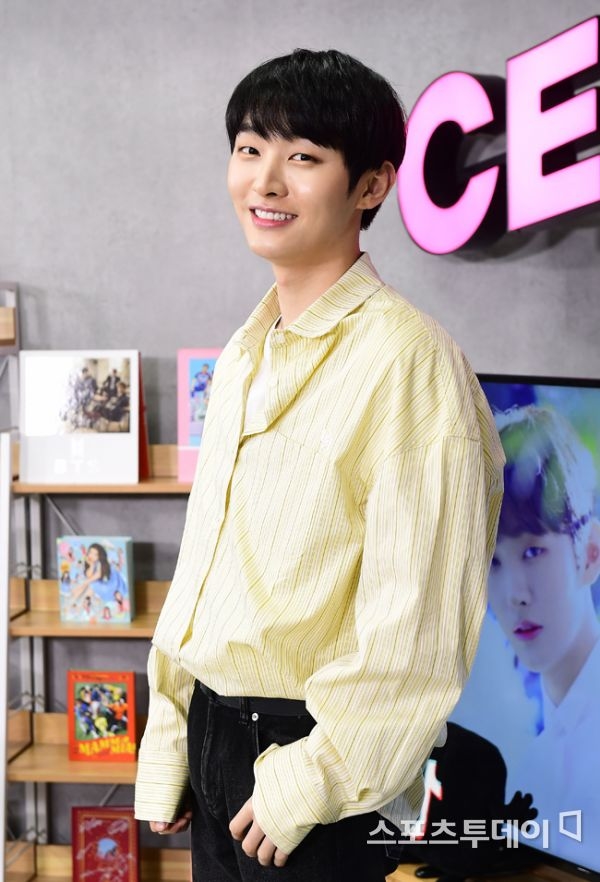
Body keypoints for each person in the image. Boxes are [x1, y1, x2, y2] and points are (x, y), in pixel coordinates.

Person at [134, 48, 504, 882]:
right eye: (249, 149)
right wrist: (172, 737)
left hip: (309, 760)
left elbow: (421, 624)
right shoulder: (246, 349)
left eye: (302, 157)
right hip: (217, 737)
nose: (265, 181)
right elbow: (206, 568)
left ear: (372, 185)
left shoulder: (412, 363)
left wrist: (313, 779)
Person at [488, 405, 600, 862]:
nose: (515, 594)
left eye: (532, 551)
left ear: (589, 553)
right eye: (493, 563)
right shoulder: (530, 774)